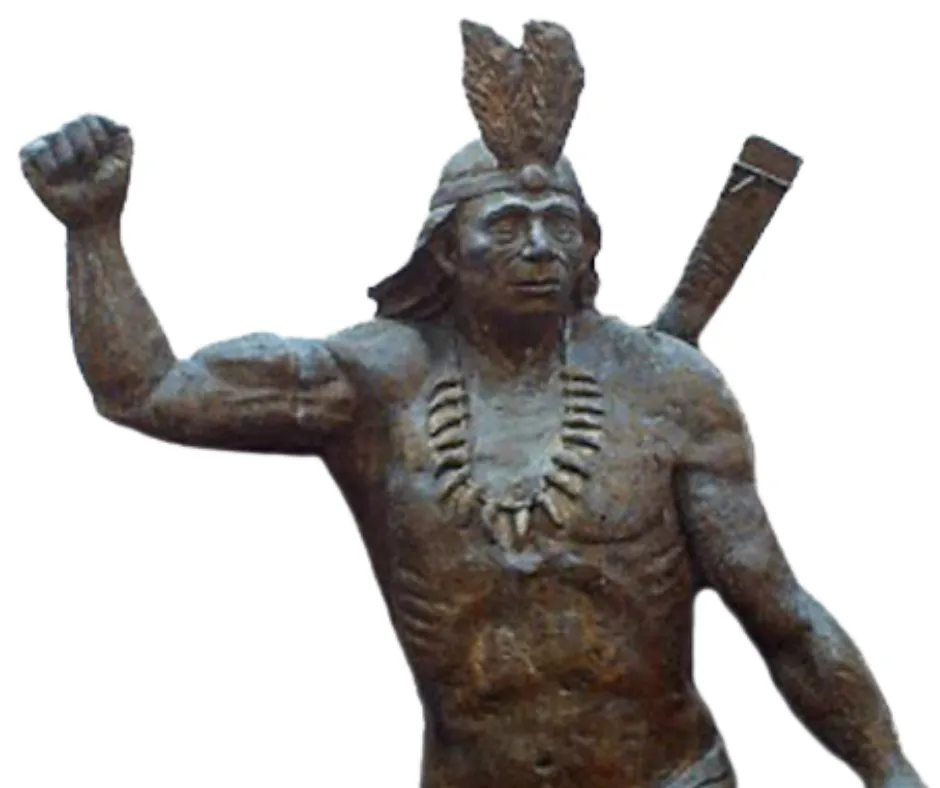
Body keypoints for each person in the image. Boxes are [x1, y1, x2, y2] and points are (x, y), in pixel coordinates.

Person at [19, 18, 926, 788]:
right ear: (446, 251)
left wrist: (892, 773)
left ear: (589, 246)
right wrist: (93, 229)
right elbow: (148, 390)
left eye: (561, 225)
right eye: (507, 223)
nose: (539, 247)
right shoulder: (374, 383)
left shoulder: (670, 389)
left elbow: (782, 617)